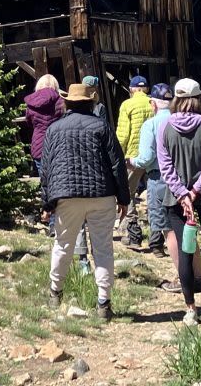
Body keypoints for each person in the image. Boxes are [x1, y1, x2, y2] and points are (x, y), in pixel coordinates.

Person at [41, 82, 130, 321]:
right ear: (91, 102)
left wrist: (46, 203)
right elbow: (117, 164)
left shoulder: (54, 129)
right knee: (102, 248)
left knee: (63, 245)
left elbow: (46, 169)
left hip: (66, 196)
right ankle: (103, 302)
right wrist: (124, 199)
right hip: (101, 195)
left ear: (67, 102)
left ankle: (55, 292)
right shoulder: (101, 127)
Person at [157, 78, 201, 326]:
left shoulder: (164, 127)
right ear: (198, 99)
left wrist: (182, 194)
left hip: (175, 201)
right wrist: (196, 191)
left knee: (185, 253)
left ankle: (191, 310)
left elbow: (165, 167)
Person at [129, 83, 173, 258]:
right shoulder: (179, 120)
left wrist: (132, 161)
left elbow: (146, 157)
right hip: (180, 175)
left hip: (159, 175)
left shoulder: (151, 124)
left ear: (153, 104)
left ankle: (157, 245)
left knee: (157, 213)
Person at [117, 75, 154, 246]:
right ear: (146, 89)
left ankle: (134, 234)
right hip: (154, 157)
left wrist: (118, 154)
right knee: (154, 194)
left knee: (129, 193)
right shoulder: (154, 103)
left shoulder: (127, 105)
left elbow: (123, 135)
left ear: (131, 89)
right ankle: (157, 236)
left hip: (133, 156)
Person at [24, 74, 65, 176]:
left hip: (39, 145)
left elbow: (29, 122)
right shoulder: (61, 101)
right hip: (58, 144)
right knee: (59, 179)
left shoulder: (31, 104)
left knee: (44, 181)